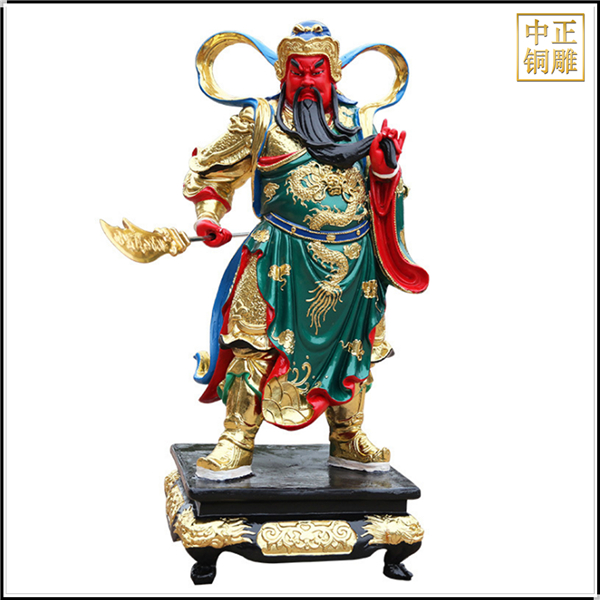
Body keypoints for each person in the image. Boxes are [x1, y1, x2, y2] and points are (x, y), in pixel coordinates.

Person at [185, 21, 428, 480]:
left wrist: (383, 170)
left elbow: (385, 190)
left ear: (333, 74)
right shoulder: (261, 120)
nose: (308, 81)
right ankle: (237, 438)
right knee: (252, 344)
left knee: (355, 350)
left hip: (353, 264)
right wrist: (208, 218)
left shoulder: (361, 124)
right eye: (298, 71)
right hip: (278, 256)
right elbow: (213, 174)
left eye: (317, 71)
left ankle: (347, 436)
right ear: (284, 74)